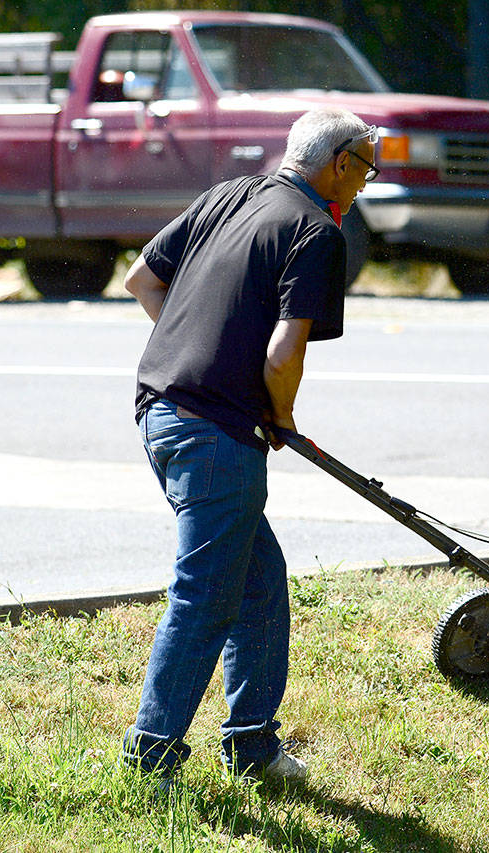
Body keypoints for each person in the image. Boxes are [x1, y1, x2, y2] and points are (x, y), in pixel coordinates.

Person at [120, 108, 378, 783]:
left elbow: (143, 282)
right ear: (340, 162)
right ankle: (150, 755)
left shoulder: (227, 194)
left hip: (158, 414)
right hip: (215, 436)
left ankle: (253, 745)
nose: (367, 180)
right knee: (204, 595)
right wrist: (280, 415)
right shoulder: (317, 231)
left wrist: (200, 349)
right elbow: (283, 349)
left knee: (258, 584)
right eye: (368, 166)